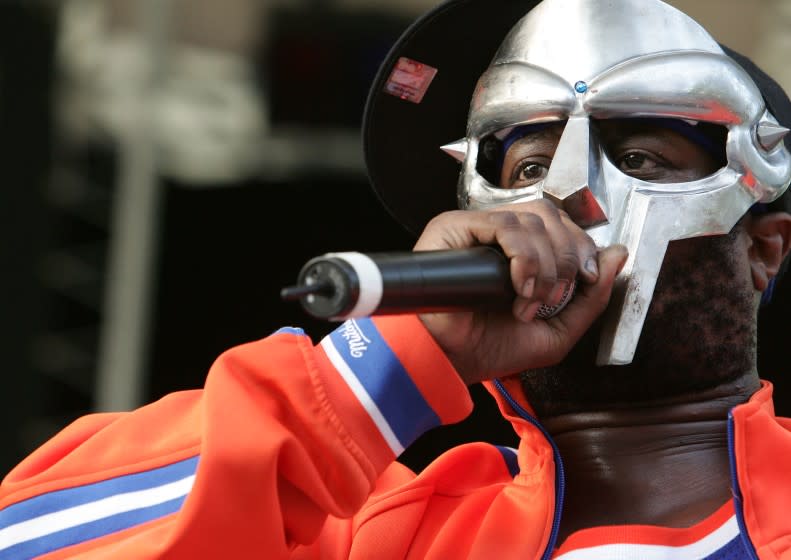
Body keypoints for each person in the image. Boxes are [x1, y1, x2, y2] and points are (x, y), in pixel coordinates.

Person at [2, 0, 791, 558]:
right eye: (524, 168)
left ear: (765, 249)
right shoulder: (374, 539)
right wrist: (383, 366)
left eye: (640, 158)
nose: (566, 202)